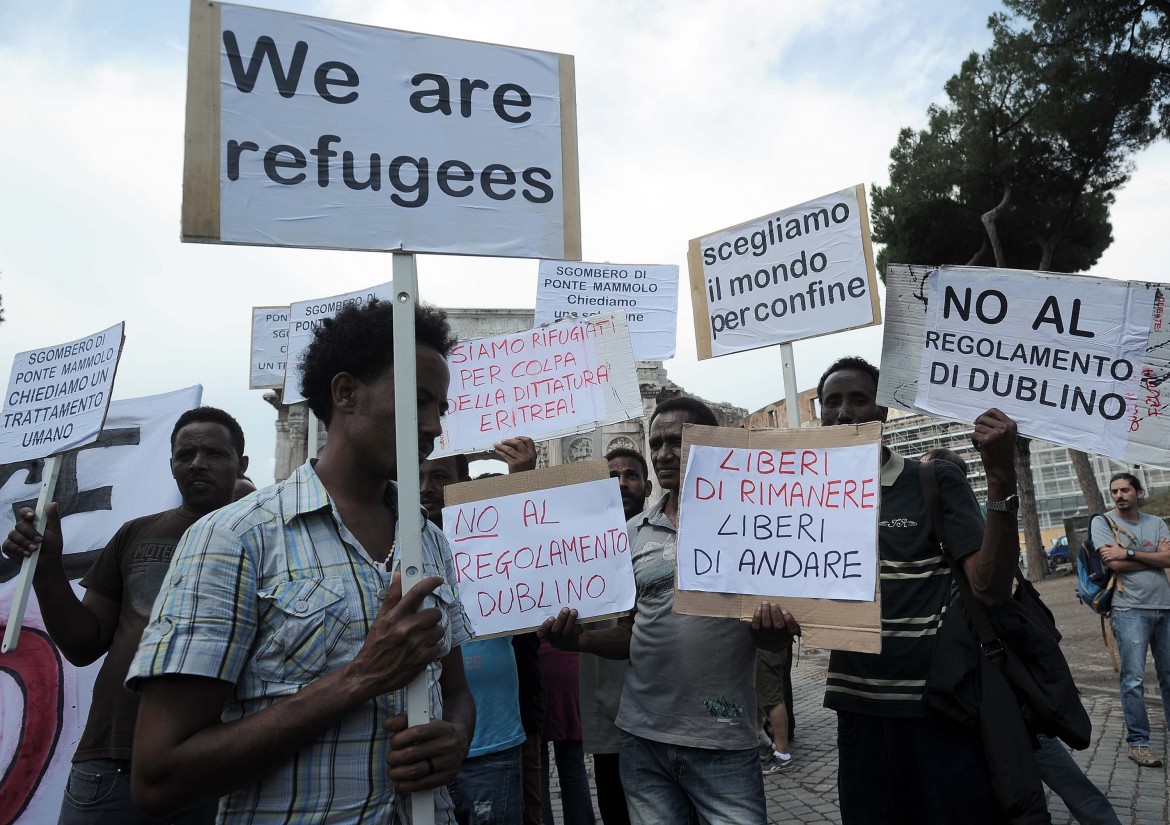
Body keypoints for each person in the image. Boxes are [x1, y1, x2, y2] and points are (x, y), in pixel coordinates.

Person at [126, 299, 475, 824]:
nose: (431, 426)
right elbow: (159, 776)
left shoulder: (430, 542)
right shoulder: (233, 537)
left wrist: (454, 740)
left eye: (440, 410)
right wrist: (359, 678)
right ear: (345, 393)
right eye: (418, 400)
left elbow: (457, 692)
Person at [539, 396, 797, 825]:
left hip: (723, 739)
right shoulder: (631, 534)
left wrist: (773, 634)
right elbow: (631, 631)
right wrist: (582, 641)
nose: (663, 454)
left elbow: (777, 620)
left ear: (711, 442)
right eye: (656, 443)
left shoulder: (755, 524)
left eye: (676, 442)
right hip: (643, 741)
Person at [2, 406, 248, 825]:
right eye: (185, 454)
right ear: (171, 464)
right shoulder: (136, 533)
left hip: (219, 766)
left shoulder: (270, 538)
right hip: (112, 761)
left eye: (214, 453)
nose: (198, 463)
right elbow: (84, 644)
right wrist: (47, 568)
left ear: (240, 464)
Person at [817, 356, 1021, 825]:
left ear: (883, 410)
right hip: (858, 712)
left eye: (858, 399)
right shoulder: (799, 493)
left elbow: (988, 588)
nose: (844, 413)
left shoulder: (931, 480)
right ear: (820, 413)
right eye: (832, 402)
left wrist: (1001, 479)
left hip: (938, 708)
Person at [923, 450, 1121, 825]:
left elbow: (989, 588)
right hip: (982, 665)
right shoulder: (959, 520)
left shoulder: (971, 523)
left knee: (1034, 753)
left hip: (994, 667)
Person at [419, 437, 536, 825]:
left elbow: (528, 536)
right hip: (422, 741)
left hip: (491, 734)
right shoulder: (386, 542)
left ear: (462, 482)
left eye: (439, 477)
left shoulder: (488, 538)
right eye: (418, 477)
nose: (426, 488)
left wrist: (521, 474)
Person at [578, 447, 653, 825]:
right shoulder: (573, 546)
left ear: (648, 486)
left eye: (631, 476)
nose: (621, 483)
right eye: (611, 477)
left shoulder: (671, 540)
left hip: (667, 707)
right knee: (615, 807)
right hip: (610, 707)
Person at [1095, 472, 1170, 769]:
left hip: (1164, 606)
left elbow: (1169, 559)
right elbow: (1112, 563)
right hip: (1129, 609)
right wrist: (1152, 555)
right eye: (1114, 491)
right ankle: (1138, 744)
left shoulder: (1156, 521)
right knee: (1133, 679)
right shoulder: (1102, 522)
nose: (1119, 495)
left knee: (1169, 675)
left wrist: (1127, 551)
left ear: (1139, 493)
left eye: (1125, 490)